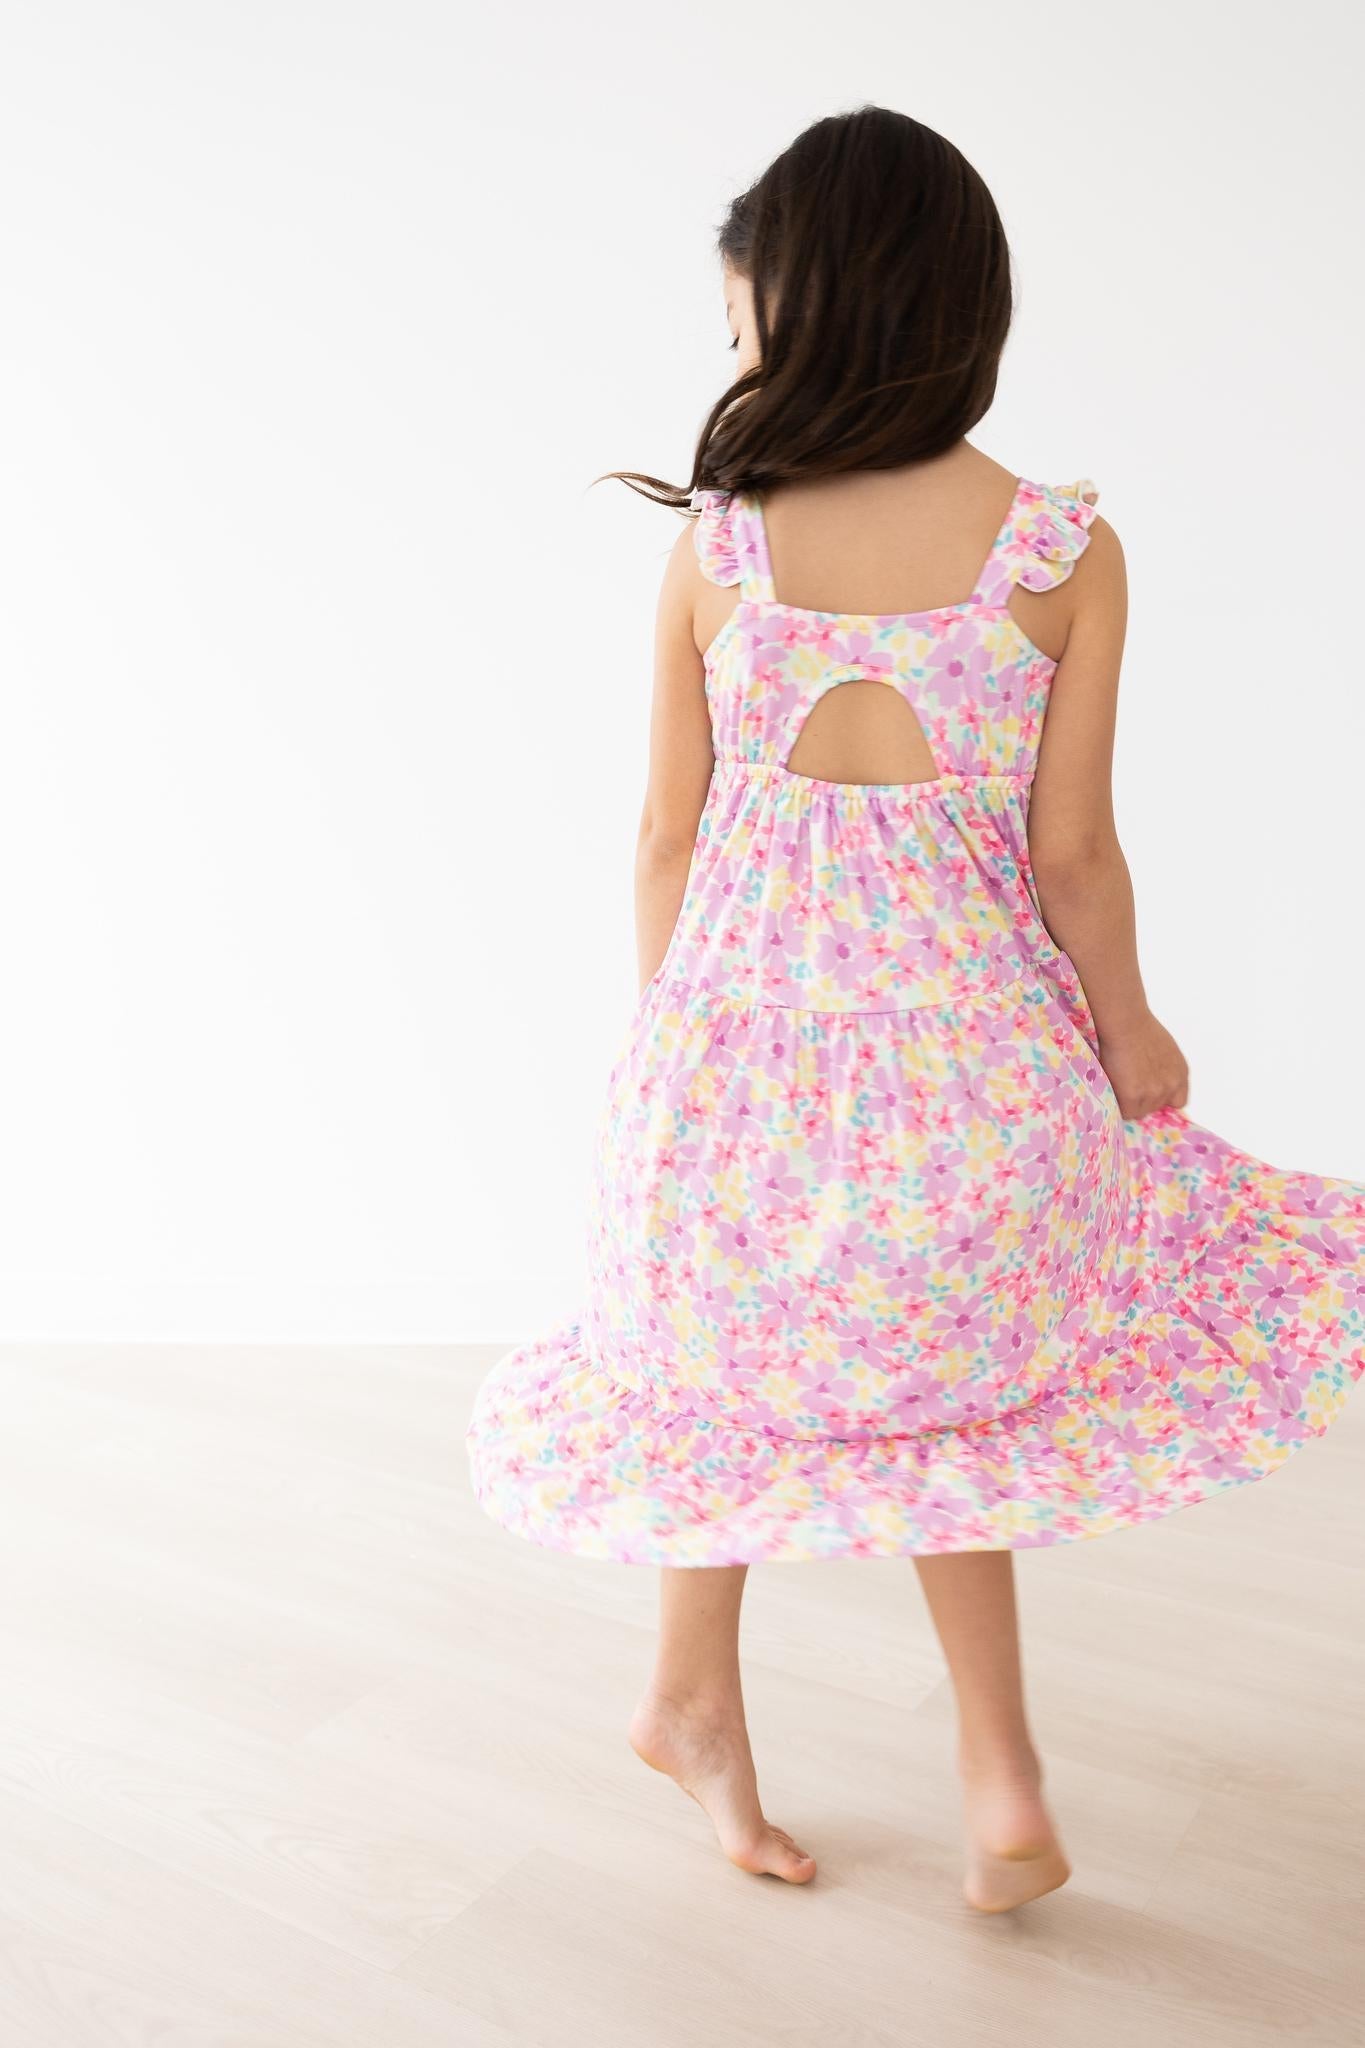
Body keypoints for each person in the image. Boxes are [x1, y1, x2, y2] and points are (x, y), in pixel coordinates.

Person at [465, 105, 1365, 1912]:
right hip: (979, 1094)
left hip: (734, 1080)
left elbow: (662, 839)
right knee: (961, 1410)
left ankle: (690, 1695)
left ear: (806, 313)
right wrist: (1131, 1032)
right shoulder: (1056, 554)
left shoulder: (725, 550)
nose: (738, 358)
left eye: (742, 323)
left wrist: (669, 1057)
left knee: (711, 1382)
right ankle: (995, 1772)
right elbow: (1075, 858)